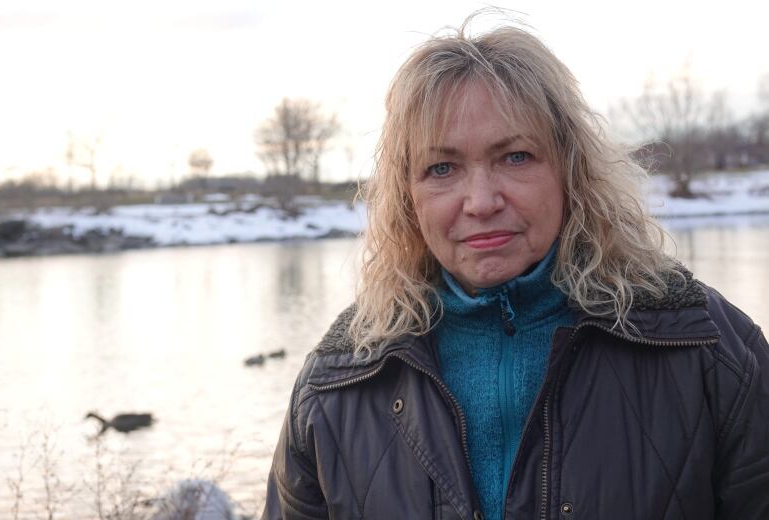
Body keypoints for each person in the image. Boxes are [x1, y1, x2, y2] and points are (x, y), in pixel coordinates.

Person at [262, 19, 769, 520]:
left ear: (570, 171)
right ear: (406, 197)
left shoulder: (707, 347)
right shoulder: (334, 386)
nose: (481, 202)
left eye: (516, 157)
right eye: (442, 168)